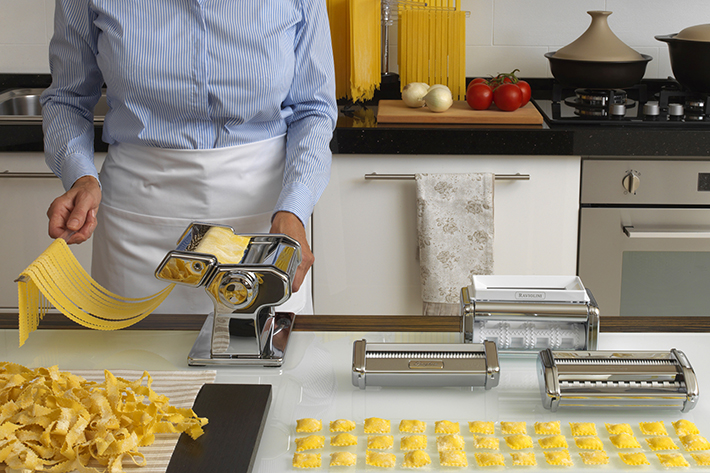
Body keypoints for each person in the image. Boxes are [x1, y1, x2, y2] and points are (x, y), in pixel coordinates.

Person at [41, 1, 337, 315]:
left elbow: (313, 111)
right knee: (130, 361)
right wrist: (81, 177)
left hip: (266, 222)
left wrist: (294, 208)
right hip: (137, 221)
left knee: (263, 357)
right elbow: (67, 98)